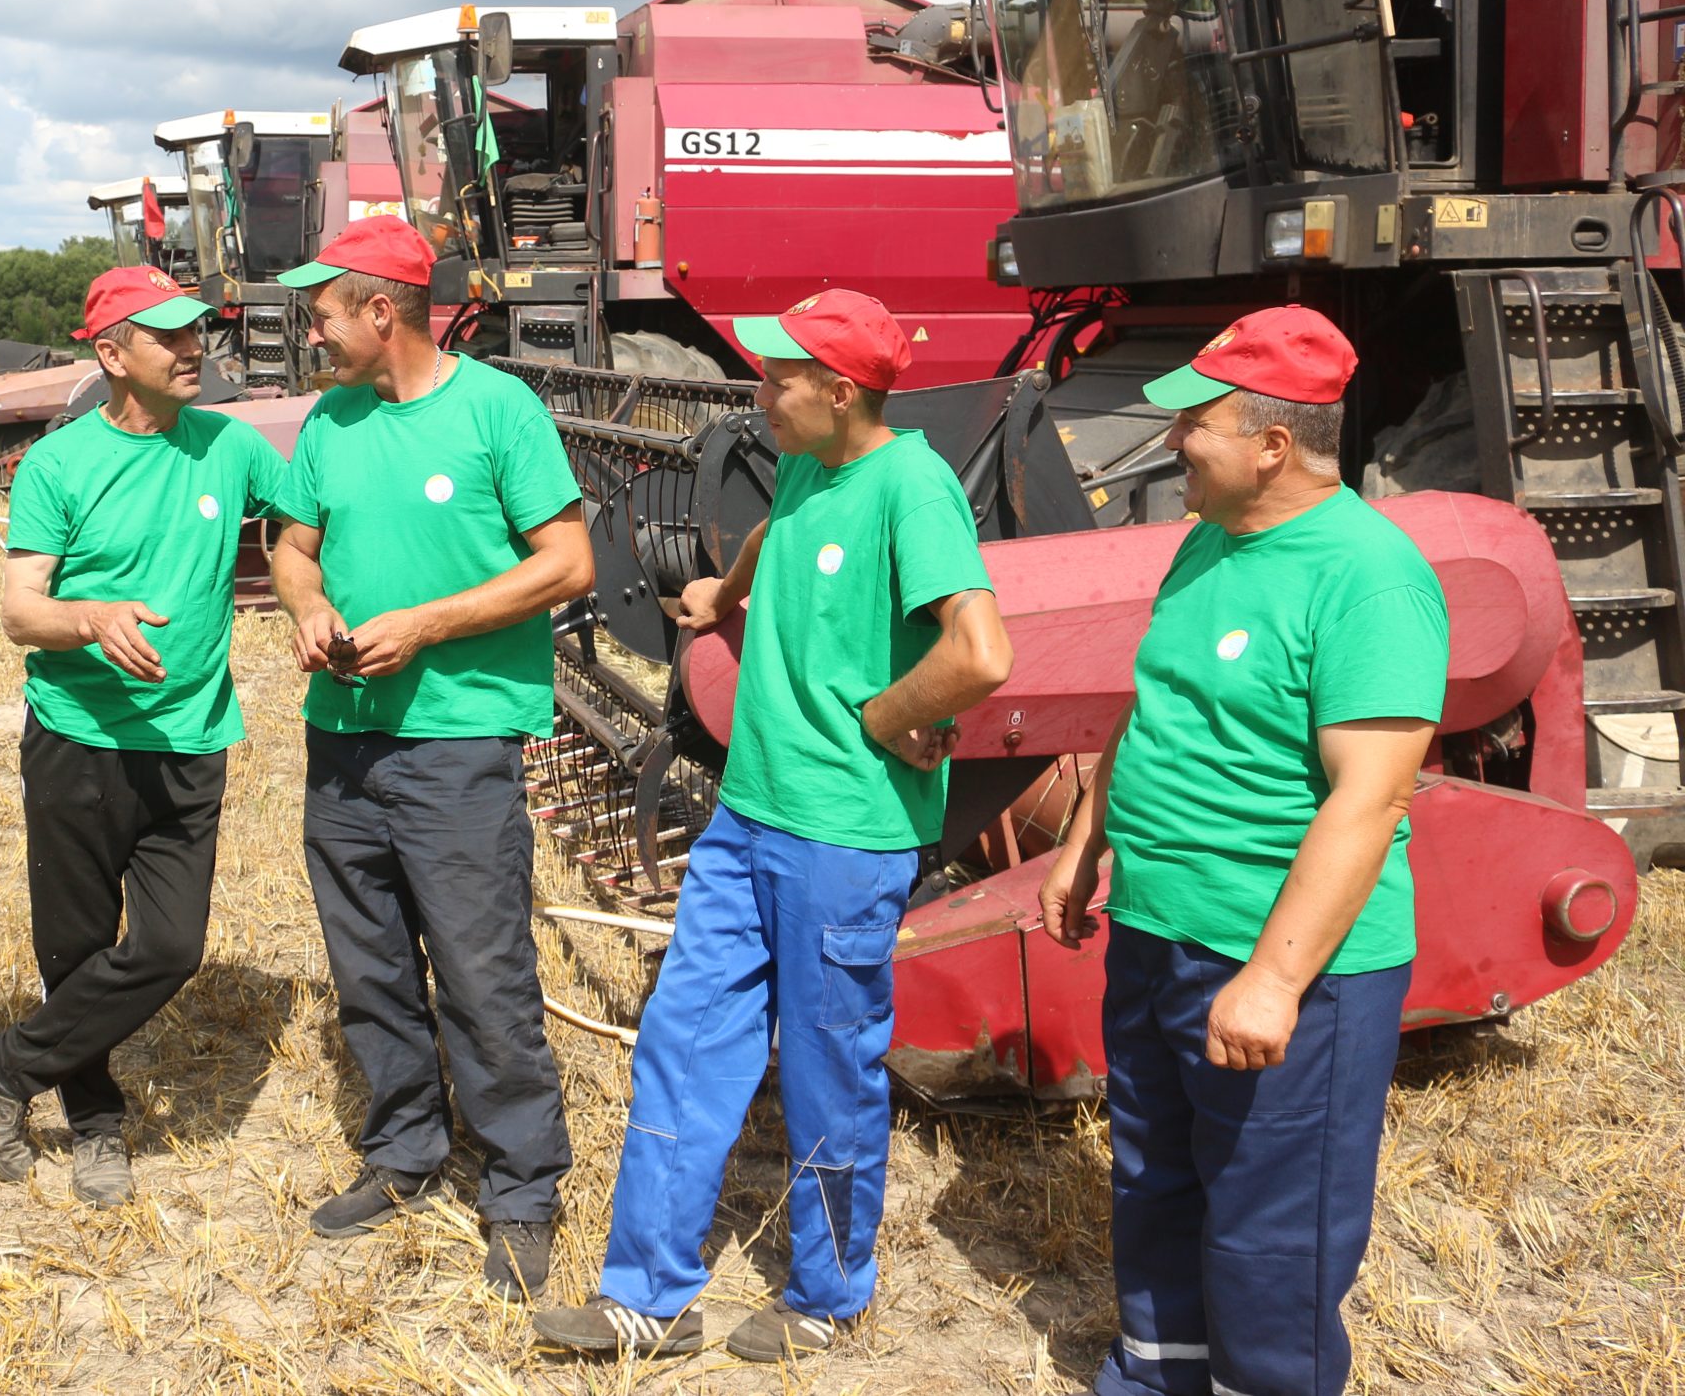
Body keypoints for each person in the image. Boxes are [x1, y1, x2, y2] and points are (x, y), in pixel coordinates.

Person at [535, 288, 1012, 1363]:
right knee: (683, 1040)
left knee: (827, 1070)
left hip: (844, 840)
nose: (760, 392)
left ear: (841, 391)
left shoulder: (911, 487)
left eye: (778, 377)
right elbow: (774, 530)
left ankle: (828, 1295)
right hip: (748, 818)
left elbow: (981, 653)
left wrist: (891, 716)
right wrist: (721, 592)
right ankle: (646, 1294)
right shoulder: (808, 465)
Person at [1036, 305, 1447, 1396]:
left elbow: (1369, 797)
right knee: (1155, 1177)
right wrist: (1085, 841)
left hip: (1280, 965)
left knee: (1273, 1231)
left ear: (1272, 443)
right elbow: (1153, 703)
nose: (1173, 444)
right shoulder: (1209, 541)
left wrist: (1270, 980)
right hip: (1159, 935)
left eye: (1194, 425)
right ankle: (1157, 1373)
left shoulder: (1369, 578)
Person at [267, 215, 594, 1300]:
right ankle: (404, 1152)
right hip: (343, 735)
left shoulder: (497, 411)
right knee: (366, 966)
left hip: (456, 738)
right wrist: (307, 606)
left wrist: (425, 625)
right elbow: (292, 546)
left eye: (322, 311)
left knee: (480, 971)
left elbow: (567, 563)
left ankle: (520, 1189)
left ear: (380, 311)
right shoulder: (331, 419)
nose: (310, 330)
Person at [0, 264, 289, 1206]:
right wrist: (91, 617)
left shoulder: (227, 447)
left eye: (197, 333)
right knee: (74, 945)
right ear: (111, 355)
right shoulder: (61, 463)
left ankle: (5, 1065)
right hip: (79, 736)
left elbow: (311, 514)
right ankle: (97, 1121)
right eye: (170, 337)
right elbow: (22, 610)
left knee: (169, 948)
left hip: (191, 737)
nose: (196, 350)